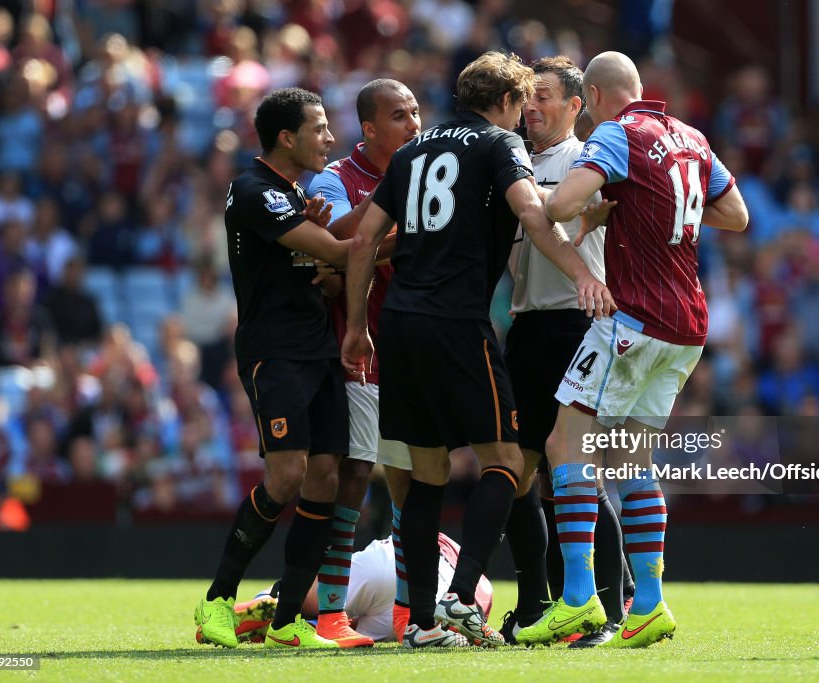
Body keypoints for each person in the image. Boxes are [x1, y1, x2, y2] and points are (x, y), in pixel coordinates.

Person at [342, 51, 614, 649]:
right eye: (523, 104)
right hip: (458, 323)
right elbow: (533, 216)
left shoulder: (413, 151)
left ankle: (420, 626)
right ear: (510, 102)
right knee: (507, 463)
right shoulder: (499, 144)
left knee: (425, 474)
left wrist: (356, 326)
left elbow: (363, 238)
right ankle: (461, 598)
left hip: (399, 325)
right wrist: (581, 272)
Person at [515, 51, 748, 648]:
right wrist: (660, 210)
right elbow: (736, 214)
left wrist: (596, 211)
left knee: (564, 443)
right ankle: (647, 603)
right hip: (688, 324)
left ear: (590, 96)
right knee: (630, 462)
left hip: (634, 318)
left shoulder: (619, 134)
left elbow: (562, 206)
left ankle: (576, 600)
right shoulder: (692, 137)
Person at [194, 87, 353, 651]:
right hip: (275, 352)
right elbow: (336, 253)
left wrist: (334, 259)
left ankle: (288, 622)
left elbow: (328, 274)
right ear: (287, 137)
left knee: (325, 477)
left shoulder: (295, 194)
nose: (330, 139)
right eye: (319, 128)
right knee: (285, 475)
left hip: (320, 350)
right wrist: (406, 235)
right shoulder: (252, 190)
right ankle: (216, 601)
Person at [499, 55, 630, 648]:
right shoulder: (512, 161)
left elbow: (560, 211)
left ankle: (611, 602)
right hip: (527, 324)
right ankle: (545, 602)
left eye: (544, 95)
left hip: (579, 322)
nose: (532, 106)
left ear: (577, 105)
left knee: (572, 468)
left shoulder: (588, 160)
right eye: (527, 96)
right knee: (522, 471)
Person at [304, 78, 422, 647]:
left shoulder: (427, 169)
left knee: (415, 478)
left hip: (417, 342)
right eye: (399, 116)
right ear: (369, 128)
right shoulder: (334, 179)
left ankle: (406, 612)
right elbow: (331, 246)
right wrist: (395, 227)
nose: (413, 125)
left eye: (417, 112)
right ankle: (330, 614)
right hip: (359, 345)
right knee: (354, 476)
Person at [195, 533, 493, 645]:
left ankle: (271, 603)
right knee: (350, 629)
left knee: (318, 599)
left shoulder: (444, 540)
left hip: (392, 567)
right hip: (421, 614)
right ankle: (306, 624)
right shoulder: (484, 586)